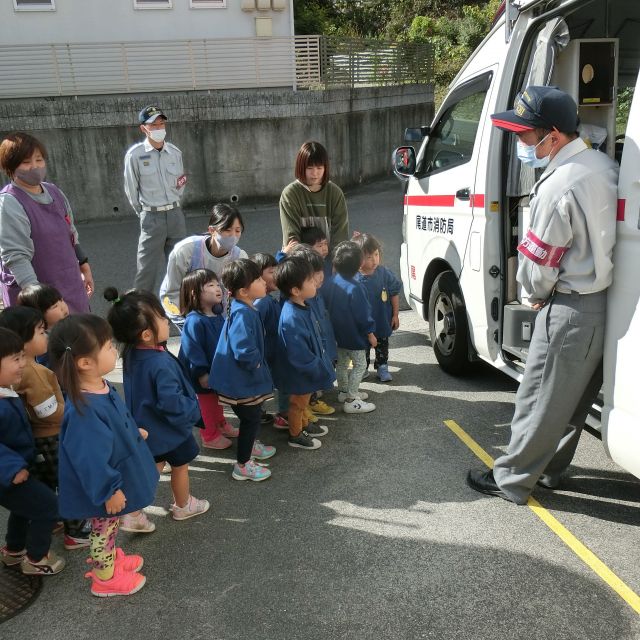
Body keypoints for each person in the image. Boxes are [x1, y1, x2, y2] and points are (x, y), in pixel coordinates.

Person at [467, 86, 618, 504]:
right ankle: (550, 470)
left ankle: (512, 479)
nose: (520, 142)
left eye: (525, 135)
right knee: (572, 399)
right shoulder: (602, 165)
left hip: (568, 307)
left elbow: (539, 268)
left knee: (537, 398)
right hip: (604, 302)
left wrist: (534, 293)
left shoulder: (557, 187)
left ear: (552, 136)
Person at [49, 315, 158, 597]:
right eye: (108, 346)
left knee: (108, 526)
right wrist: (109, 490)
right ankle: (104, 576)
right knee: (103, 528)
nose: (114, 350)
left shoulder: (99, 386)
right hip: (102, 486)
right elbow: (90, 458)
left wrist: (132, 432)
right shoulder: (85, 409)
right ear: (84, 362)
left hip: (111, 476)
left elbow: (115, 423)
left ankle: (108, 560)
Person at [105, 287, 210, 524]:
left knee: (153, 468)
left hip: (145, 425)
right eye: (161, 317)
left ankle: (133, 513)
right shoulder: (160, 363)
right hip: (170, 429)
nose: (166, 321)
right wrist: (192, 409)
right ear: (146, 334)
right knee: (180, 466)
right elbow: (171, 402)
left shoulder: (132, 353)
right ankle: (183, 505)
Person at [0, 306, 89, 550]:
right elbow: (46, 411)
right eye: (41, 332)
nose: (47, 336)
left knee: (47, 484)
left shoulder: (18, 373)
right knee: (68, 482)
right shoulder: (34, 372)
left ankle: (45, 527)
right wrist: (74, 415)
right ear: (22, 341)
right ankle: (75, 531)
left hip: (34, 444)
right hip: (51, 437)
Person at [0, 132, 93, 313]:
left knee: (81, 336)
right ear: (10, 167)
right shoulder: (9, 203)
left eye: (39, 160)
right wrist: (40, 300)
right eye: (26, 162)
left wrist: (84, 265)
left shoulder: (54, 192)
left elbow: (71, 232)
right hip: (35, 296)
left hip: (70, 284)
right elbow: (17, 257)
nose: (34, 167)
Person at [0, 327, 64, 576]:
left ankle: (15, 550)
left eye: (22, 357)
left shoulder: (6, 391)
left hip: (17, 470)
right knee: (48, 506)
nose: (22, 364)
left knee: (24, 508)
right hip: (9, 473)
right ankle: (37, 558)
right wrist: (11, 468)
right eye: (16, 359)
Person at [210, 259, 276, 481]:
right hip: (241, 380)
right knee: (251, 418)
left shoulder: (243, 307)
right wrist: (256, 362)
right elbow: (242, 348)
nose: (263, 281)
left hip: (238, 379)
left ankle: (250, 449)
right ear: (243, 291)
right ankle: (243, 464)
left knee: (251, 416)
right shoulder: (243, 312)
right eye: (257, 279)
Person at [273, 256, 335, 450]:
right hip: (301, 371)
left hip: (307, 369)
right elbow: (299, 353)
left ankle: (303, 425)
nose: (315, 281)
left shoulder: (301, 306)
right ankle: (296, 434)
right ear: (295, 290)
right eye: (309, 280)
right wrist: (316, 368)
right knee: (297, 403)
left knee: (303, 402)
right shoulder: (292, 317)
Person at [124, 106, 187, 293]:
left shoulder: (175, 152)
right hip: (152, 217)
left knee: (180, 264)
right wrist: (144, 212)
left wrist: (175, 203)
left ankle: (179, 305)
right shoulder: (135, 155)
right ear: (144, 128)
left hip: (175, 214)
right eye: (154, 125)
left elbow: (181, 181)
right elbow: (131, 189)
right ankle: (143, 309)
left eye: (161, 123)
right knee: (146, 269)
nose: (159, 128)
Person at [178, 269, 238, 450]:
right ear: (195, 293)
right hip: (201, 372)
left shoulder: (217, 315)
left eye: (217, 284)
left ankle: (220, 424)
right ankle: (209, 435)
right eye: (210, 285)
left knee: (217, 399)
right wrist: (201, 373)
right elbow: (192, 350)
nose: (217, 288)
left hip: (216, 369)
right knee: (207, 403)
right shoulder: (194, 320)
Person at [160, 203, 248, 327]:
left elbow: (243, 294)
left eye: (238, 231)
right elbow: (172, 292)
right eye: (227, 230)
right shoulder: (186, 250)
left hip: (219, 313)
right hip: (185, 311)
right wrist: (186, 321)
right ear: (212, 230)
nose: (233, 236)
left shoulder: (239, 257)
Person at [324, 241, 377, 414]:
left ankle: (343, 391)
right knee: (360, 365)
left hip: (336, 334)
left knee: (342, 363)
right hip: (354, 335)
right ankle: (352, 398)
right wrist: (370, 333)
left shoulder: (331, 282)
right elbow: (363, 315)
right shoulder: (356, 288)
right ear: (360, 264)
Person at [288, 244, 336, 416]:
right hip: (309, 354)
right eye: (314, 273)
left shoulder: (315, 294)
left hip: (322, 346)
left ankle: (310, 402)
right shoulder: (299, 302)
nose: (320, 275)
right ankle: (305, 409)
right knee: (306, 385)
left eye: (320, 269)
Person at [279, 141, 349, 248]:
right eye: (309, 168)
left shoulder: (335, 193)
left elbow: (340, 236)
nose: (315, 173)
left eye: (319, 168)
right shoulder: (290, 194)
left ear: (325, 168)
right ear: (300, 167)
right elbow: (292, 240)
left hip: (331, 259)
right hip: (300, 259)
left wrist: (336, 261)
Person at [352, 233, 401, 382]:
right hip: (362, 324)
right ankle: (363, 367)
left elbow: (394, 293)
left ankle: (382, 366)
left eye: (376, 254)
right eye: (369, 257)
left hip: (382, 320)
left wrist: (395, 315)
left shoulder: (384, 273)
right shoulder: (354, 278)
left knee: (382, 345)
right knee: (362, 347)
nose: (374, 260)